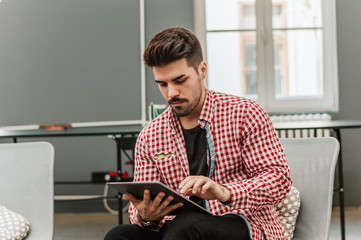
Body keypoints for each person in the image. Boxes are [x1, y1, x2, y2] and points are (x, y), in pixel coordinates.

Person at [105, 27, 292, 240]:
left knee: (188, 225)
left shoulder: (245, 113)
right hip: (177, 230)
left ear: (202, 70)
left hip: (241, 223)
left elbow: (279, 180)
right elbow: (138, 208)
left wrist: (225, 192)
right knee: (119, 235)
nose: (171, 92)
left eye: (180, 80)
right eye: (163, 84)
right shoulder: (150, 136)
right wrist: (146, 216)